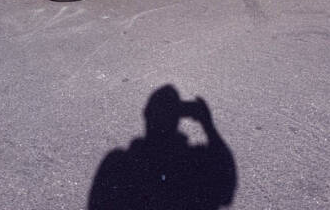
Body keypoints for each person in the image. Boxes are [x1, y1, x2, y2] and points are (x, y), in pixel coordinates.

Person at [88, 85, 237, 210]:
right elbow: (225, 181)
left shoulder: (120, 162)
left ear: (146, 114)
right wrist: (208, 125)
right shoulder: (193, 160)